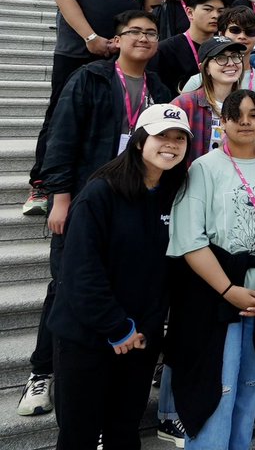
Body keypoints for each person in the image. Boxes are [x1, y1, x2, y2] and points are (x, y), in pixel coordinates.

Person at [19, 9, 173, 418]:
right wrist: (61, 197)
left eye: (151, 33)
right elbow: (61, 137)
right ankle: (42, 373)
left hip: (134, 202)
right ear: (117, 39)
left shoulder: (158, 87)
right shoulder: (90, 78)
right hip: (88, 198)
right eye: (134, 32)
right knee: (66, 282)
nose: (143, 38)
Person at [165, 89, 255, 449]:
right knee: (217, 391)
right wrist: (229, 290)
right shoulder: (203, 168)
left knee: (251, 389)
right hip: (217, 296)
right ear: (223, 121)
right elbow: (190, 240)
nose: (245, 121)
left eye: (254, 115)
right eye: (236, 115)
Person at [47, 103, 190, 450]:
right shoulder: (100, 192)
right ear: (140, 141)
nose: (170, 144)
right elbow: (80, 272)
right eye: (161, 136)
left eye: (179, 138)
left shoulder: (176, 194)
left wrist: (149, 330)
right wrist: (116, 327)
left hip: (140, 338)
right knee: (78, 435)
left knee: (124, 432)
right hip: (89, 338)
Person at [26, 0, 159, 217]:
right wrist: (91, 37)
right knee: (60, 117)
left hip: (120, 56)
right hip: (76, 50)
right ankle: (43, 183)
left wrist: (124, 42)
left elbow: (149, 11)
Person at [176, 36, 247, 157]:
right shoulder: (184, 104)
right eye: (221, 58)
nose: (231, 63)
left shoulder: (247, 105)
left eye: (235, 56)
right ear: (205, 68)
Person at [151, 0, 228, 95]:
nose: (215, 16)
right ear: (190, 12)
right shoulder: (165, 50)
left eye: (220, 11)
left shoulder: (227, 48)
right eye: (208, 9)